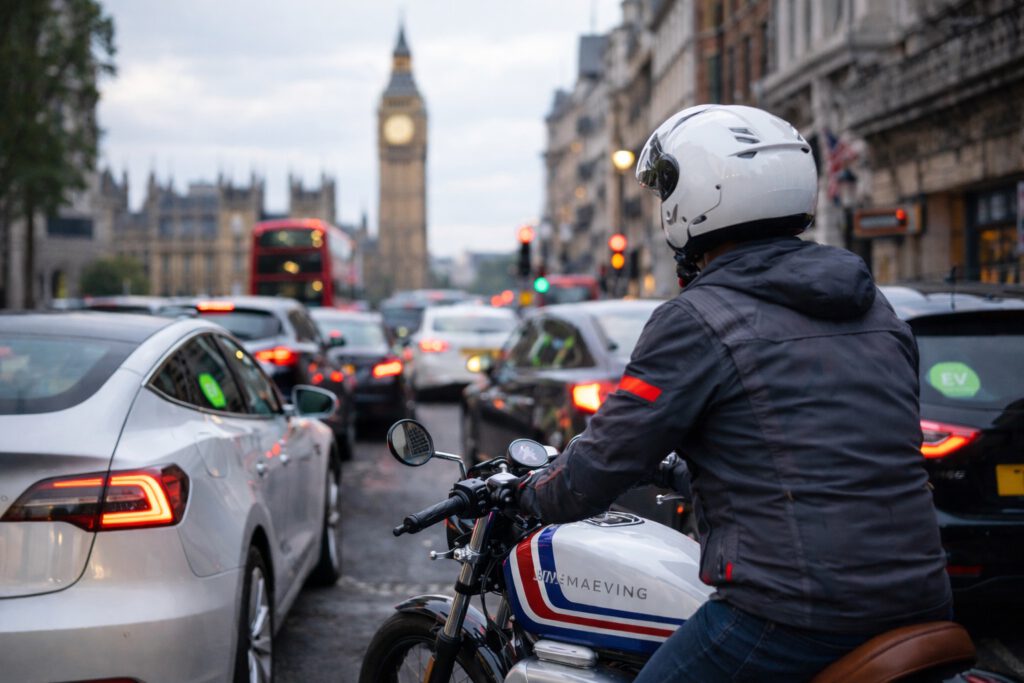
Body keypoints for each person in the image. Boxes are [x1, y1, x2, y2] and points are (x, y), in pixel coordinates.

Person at [516, 104, 952, 682]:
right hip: (921, 594)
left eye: (667, 185)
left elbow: (602, 461)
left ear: (699, 195)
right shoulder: (873, 304)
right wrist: (684, 476)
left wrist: (531, 497)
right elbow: (819, 451)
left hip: (798, 613)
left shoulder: (695, 320)